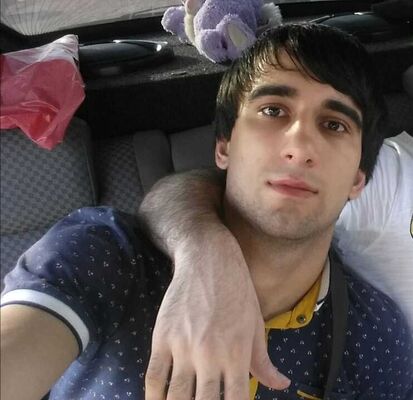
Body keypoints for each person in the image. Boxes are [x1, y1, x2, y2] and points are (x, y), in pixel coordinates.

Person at [1, 24, 412, 400]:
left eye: (335, 125)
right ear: (224, 146)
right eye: (273, 111)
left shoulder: (375, 337)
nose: (300, 147)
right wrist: (202, 250)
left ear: (358, 179)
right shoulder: (106, 255)